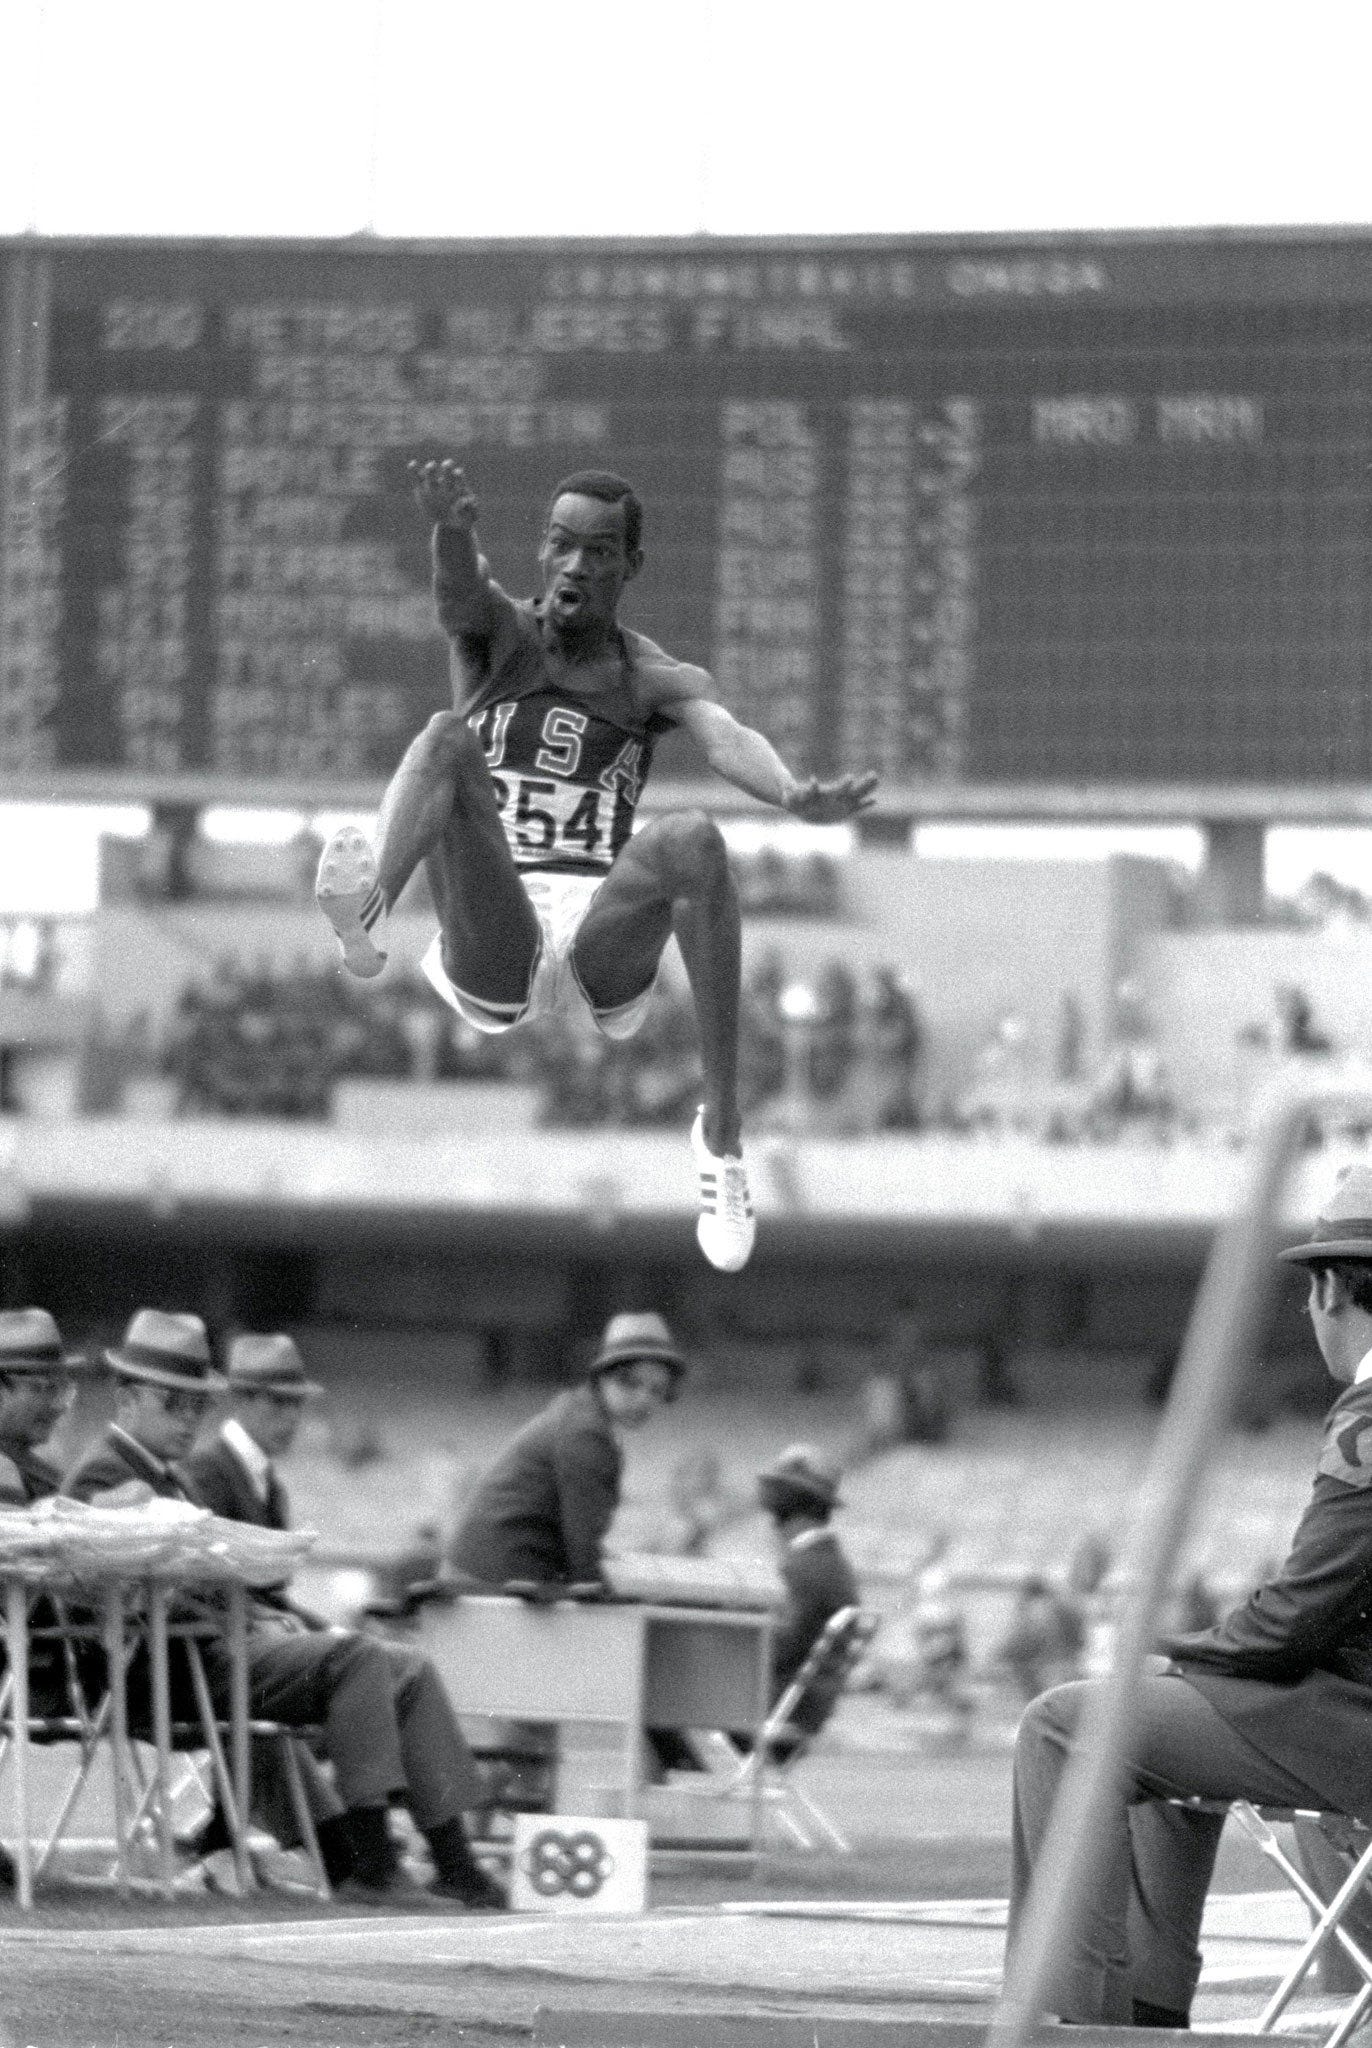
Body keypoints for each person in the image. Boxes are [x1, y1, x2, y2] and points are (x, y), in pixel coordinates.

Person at [314, 462, 877, 1272]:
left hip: (598, 938)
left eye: (599, 552)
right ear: (542, 553)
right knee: (445, 736)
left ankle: (721, 1138)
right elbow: (454, 597)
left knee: (694, 840)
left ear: (629, 567)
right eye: (562, 546)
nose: (577, 565)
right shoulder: (498, 636)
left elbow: (725, 736)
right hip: (495, 924)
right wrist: (451, 531)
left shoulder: (652, 676)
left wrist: (789, 792)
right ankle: (368, 916)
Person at [1008, 1161, 1372, 2026]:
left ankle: (1084, 2023)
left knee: (1064, 1727)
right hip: (1348, 1708)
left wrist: (1179, 1648)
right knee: (1163, 1729)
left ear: (1331, 1292)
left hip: (1354, 1723)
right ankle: (1145, 2015)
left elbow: (1296, 1619)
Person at [63, 1309, 504, 1910]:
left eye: (198, 1405)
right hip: (161, 1671)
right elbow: (103, 1593)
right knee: (356, 1659)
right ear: (127, 1398)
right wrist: (242, 1613)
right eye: (174, 1404)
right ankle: (373, 1865)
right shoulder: (106, 1474)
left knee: (392, 1664)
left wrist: (243, 1610)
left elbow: (202, 1581)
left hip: (199, 1656)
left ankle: (450, 1861)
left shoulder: (168, 1477)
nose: (190, 1420)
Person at [447, 1311, 685, 1588]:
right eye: (628, 1383)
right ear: (601, 1378)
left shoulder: (579, 1413)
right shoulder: (587, 1435)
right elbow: (581, 1546)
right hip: (489, 1582)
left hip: (487, 1571)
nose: (643, 1399)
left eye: (657, 1390)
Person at [758, 1445, 860, 1741]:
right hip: (809, 1706)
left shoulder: (803, 1568)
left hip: (781, 1706)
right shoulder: (831, 1562)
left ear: (782, 1510)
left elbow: (781, 1648)